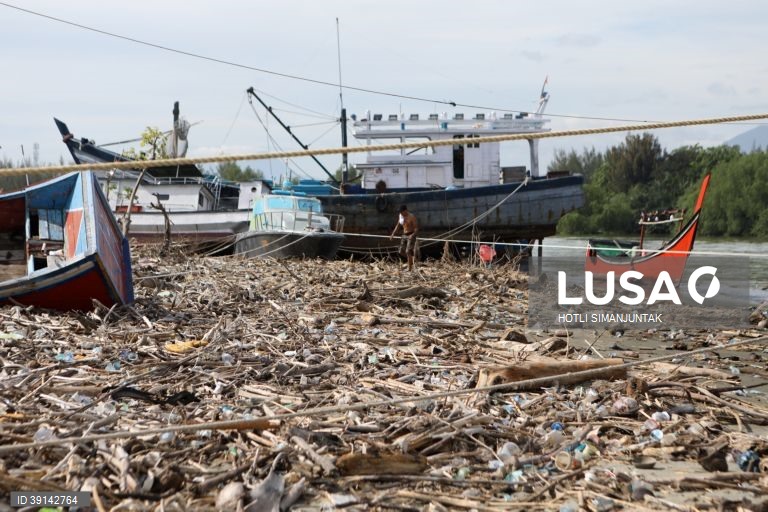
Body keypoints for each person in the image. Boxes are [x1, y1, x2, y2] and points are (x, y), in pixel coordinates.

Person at [390, 205, 419, 271]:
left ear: (405, 210)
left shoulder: (411, 217)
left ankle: (409, 268)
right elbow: (398, 225)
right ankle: (412, 260)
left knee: (408, 251)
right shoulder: (401, 216)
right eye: (400, 212)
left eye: (402, 211)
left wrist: (412, 235)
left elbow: (416, 229)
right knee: (400, 251)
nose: (401, 213)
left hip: (411, 234)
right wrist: (393, 234)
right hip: (404, 234)